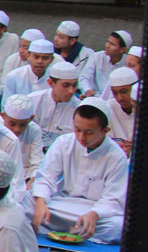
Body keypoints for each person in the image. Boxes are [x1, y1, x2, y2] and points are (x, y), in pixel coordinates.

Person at [30, 99, 128, 244]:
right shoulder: (63, 143)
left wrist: (95, 214)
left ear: (105, 131)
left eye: (89, 132)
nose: (82, 137)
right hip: (59, 205)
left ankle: (60, 228)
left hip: (94, 211)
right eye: (77, 130)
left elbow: (114, 198)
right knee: (23, 202)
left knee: (119, 226)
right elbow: (45, 178)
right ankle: (75, 230)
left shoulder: (116, 156)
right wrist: (41, 203)